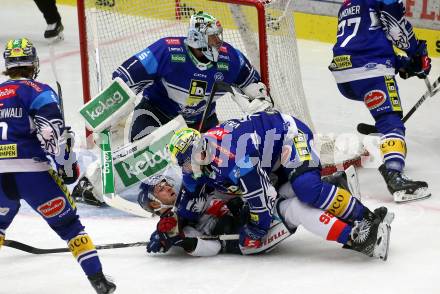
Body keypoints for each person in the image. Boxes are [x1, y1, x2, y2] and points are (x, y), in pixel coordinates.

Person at [73, 11, 269, 206]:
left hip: (201, 121)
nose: (218, 41)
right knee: (145, 156)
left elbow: (254, 88)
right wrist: (109, 113)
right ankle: (91, 186)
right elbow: (125, 79)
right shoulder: (168, 50)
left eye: (219, 36)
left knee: (216, 168)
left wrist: (262, 109)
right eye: (213, 37)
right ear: (198, 38)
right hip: (157, 113)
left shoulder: (231, 58)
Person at [0, 38, 115, 294]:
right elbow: (54, 137)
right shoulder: (38, 91)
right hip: (33, 175)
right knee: (70, 226)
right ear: (33, 63)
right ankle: (99, 281)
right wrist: (67, 166)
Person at [140, 167, 393, 260]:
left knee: (291, 187)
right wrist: (181, 240)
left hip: (252, 211)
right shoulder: (175, 226)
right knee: (295, 209)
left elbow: (217, 195)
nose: (166, 187)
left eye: (164, 183)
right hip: (247, 237)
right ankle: (356, 239)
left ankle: (349, 206)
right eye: (159, 189)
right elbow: (211, 247)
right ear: (153, 205)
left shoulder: (189, 192)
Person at [328, 0, 431, 202]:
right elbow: (397, 29)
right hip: (370, 74)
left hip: (344, 75)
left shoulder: (347, 5)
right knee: (391, 120)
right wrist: (417, 54)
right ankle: (394, 174)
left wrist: (402, 64)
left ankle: (386, 141)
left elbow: (367, 41)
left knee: (382, 110)